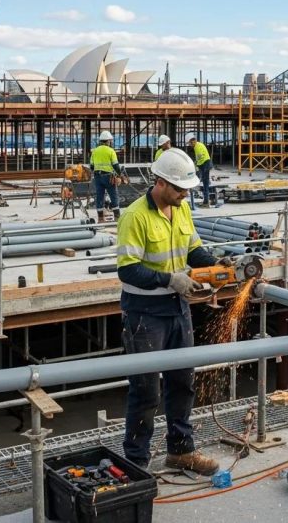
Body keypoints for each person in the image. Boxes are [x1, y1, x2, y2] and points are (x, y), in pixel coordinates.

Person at [115, 148, 227, 475]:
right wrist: (170, 279)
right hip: (144, 314)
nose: (185, 194)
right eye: (180, 189)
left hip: (178, 309)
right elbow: (128, 271)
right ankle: (136, 461)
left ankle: (180, 451)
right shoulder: (135, 216)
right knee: (146, 389)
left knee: (183, 381)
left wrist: (216, 264)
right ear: (161, 183)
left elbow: (193, 249)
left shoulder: (181, 210)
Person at [90, 130, 127, 223]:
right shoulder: (111, 151)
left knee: (99, 197)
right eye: (110, 141)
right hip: (108, 177)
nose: (111, 142)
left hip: (97, 177)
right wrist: (120, 175)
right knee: (113, 196)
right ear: (108, 141)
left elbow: (91, 166)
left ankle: (101, 219)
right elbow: (115, 165)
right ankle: (117, 217)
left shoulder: (94, 151)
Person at [186, 133, 213, 207]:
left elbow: (200, 157)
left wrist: (196, 165)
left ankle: (206, 202)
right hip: (206, 164)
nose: (190, 145)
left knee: (204, 183)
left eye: (189, 143)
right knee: (205, 183)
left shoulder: (197, 147)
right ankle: (206, 201)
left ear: (192, 141)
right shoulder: (199, 144)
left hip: (205, 165)